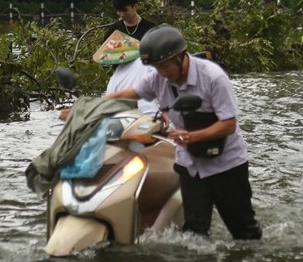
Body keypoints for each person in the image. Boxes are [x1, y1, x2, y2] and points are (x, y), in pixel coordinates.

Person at [106, 25, 262, 240]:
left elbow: (229, 124)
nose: (161, 73)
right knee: (194, 233)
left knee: (244, 231)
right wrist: (91, 106)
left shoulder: (213, 78)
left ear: (180, 57)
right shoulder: (158, 79)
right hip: (191, 166)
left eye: (164, 66)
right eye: (156, 67)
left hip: (226, 167)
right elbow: (130, 93)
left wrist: (192, 137)